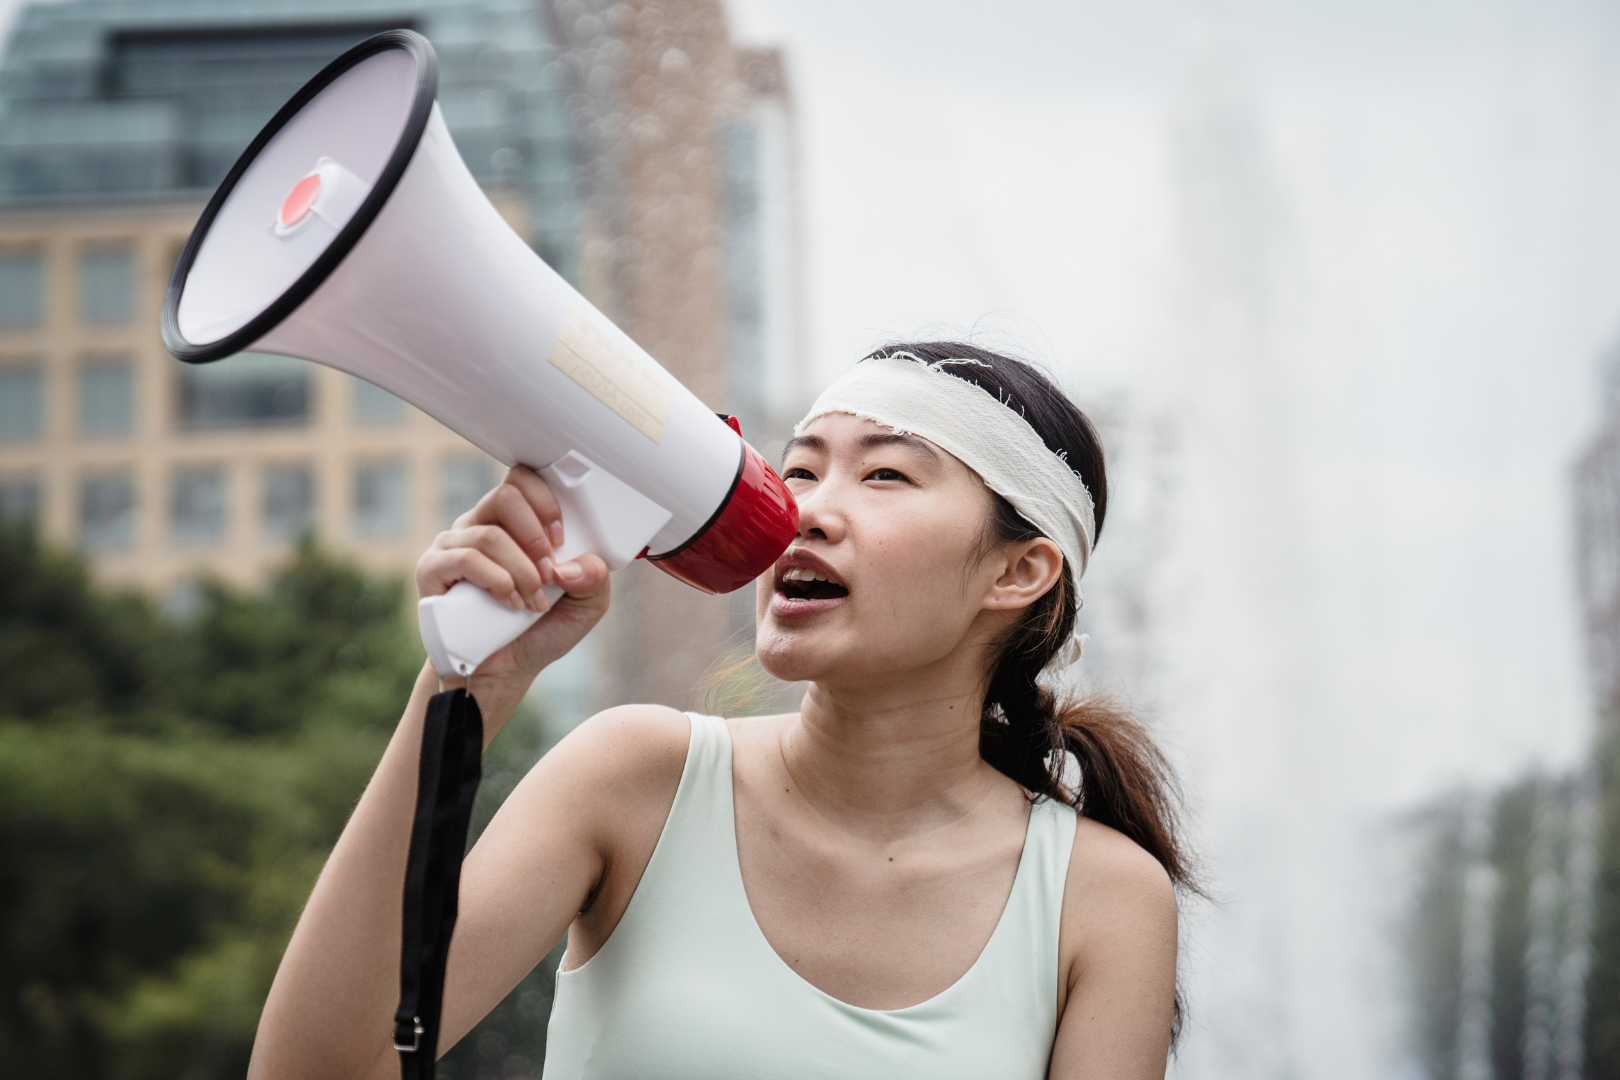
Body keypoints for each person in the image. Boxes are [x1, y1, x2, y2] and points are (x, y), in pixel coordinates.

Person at [249, 343, 1195, 1080]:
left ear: (1018, 570)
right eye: (799, 472)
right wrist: (461, 691)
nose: (806, 514)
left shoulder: (1101, 898)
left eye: (885, 476)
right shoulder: (636, 778)